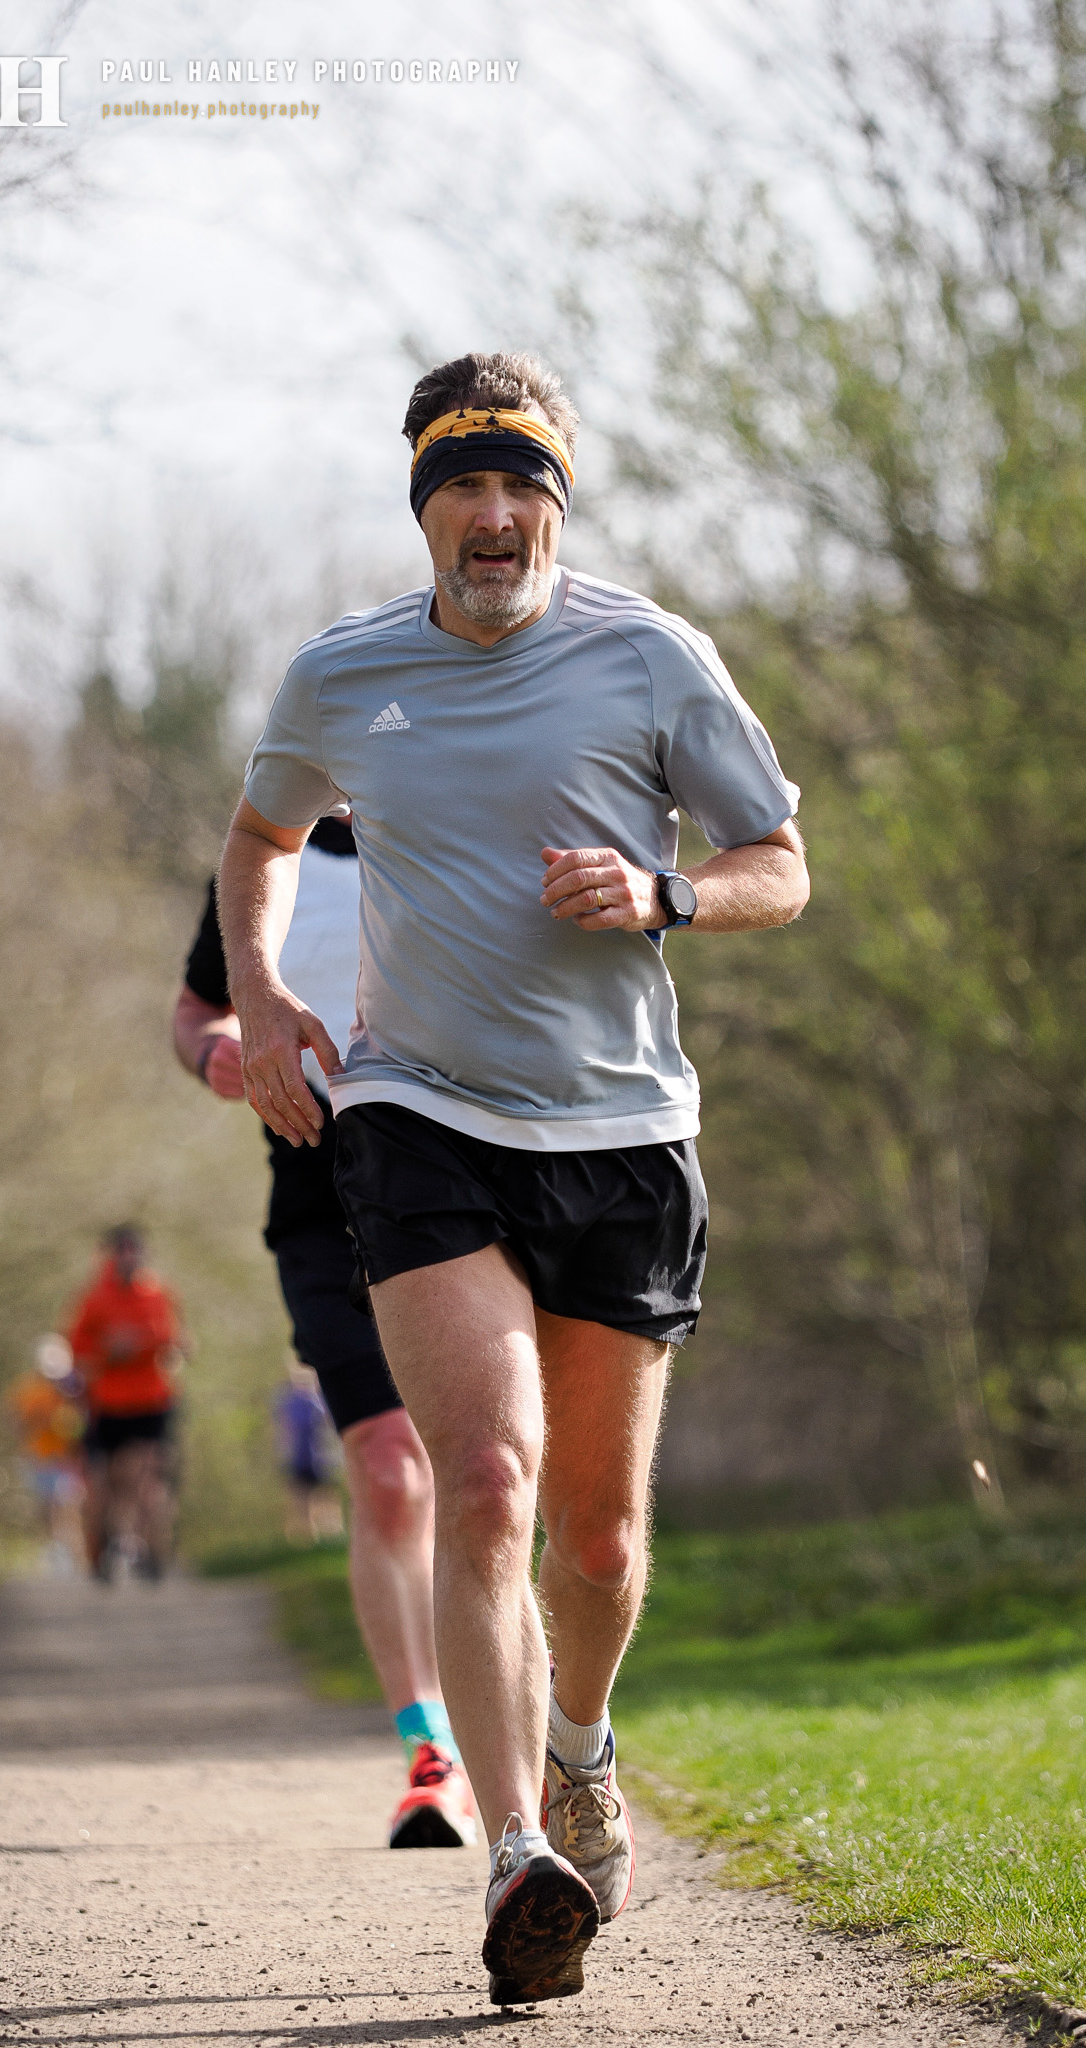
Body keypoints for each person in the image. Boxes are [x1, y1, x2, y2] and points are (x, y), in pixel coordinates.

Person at [218, 350, 809, 2006]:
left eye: (522, 485)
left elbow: (783, 865)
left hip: (622, 1136)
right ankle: (512, 1855)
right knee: (482, 1480)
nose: (495, 515)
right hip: (420, 1112)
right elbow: (259, 839)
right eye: (463, 487)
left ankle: (578, 1749)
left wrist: (665, 893)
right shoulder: (343, 674)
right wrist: (265, 1000)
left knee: (602, 1548)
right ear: (423, 505)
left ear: (558, 497)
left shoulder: (650, 656)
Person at [172, 822, 477, 1850]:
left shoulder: (449, 822)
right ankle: (429, 1746)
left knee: (485, 1467)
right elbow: (193, 1010)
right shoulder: (264, 863)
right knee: (389, 1473)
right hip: (315, 1200)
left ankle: (518, 1718)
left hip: (457, 1188)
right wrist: (213, 1049)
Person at [66, 1224, 182, 1582]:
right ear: (109, 1255)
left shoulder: (158, 1294)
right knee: (110, 1483)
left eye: (135, 1250)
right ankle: (103, 1542)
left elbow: (175, 1340)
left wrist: (148, 1343)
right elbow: (75, 1348)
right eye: (122, 1251)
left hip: (153, 1400)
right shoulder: (93, 1298)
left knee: (149, 1476)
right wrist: (107, 1351)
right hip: (108, 1404)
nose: (129, 1257)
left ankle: (151, 1549)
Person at [5, 1334, 87, 1573]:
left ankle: (74, 1554)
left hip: (67, 1459)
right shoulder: (28, 1389)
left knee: (67, 1505)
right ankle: (58, 1550)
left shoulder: (74, 1387)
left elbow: (83, 1421)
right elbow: (15, 1420)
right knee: (47, 1507)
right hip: (39, 1458)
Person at [274, 1360, 344, 1544]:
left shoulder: (321, 1398)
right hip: (299, 1457)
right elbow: (284, 1430)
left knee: (325, 1498)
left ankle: (330, 1536)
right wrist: (284, 1452)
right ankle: (304, 1539)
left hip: (321, 1457)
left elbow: (329, 1428)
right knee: (300, 1499)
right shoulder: (287, 1399)